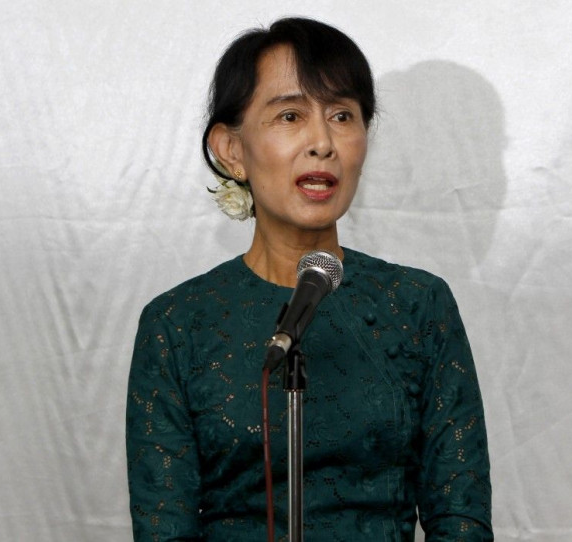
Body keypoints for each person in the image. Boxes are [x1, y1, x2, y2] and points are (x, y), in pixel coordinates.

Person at [126, 17, 492, 541]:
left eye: (343, 115)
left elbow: (461, 520)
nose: (322, 142)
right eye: (291, 115)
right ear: (232, 150)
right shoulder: (176, 324)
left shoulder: (418, 306)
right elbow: (164, 530)